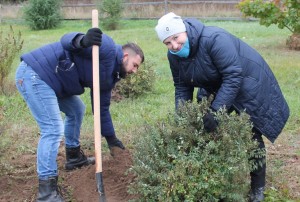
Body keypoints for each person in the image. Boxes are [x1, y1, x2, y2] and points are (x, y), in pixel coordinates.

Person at [155, 12, 289, 202]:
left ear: (184, 30)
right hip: (213, 84)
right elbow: (182, 86)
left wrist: (217, 110)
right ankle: (216, 179)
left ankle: (257, 188)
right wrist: (182, 117)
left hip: (246, 84)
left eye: (176, 38)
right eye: (168, 43)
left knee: (251, 133)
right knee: (204, 129)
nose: (174, 46)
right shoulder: (174, 56)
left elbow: (234, 75)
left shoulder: (214, 39)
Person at [15, 27, 144, 201]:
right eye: (135, 65)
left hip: (54, 81)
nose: (135, 71)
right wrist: (82, 41)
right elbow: (66, 40)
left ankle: (74, 157)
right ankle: (46, 193)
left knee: (77, 110)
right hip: (35, 75)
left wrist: (111, 139)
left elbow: (102, 109)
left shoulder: (110, 76)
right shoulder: (105, 47)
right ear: (125, 56)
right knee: (53, 129)